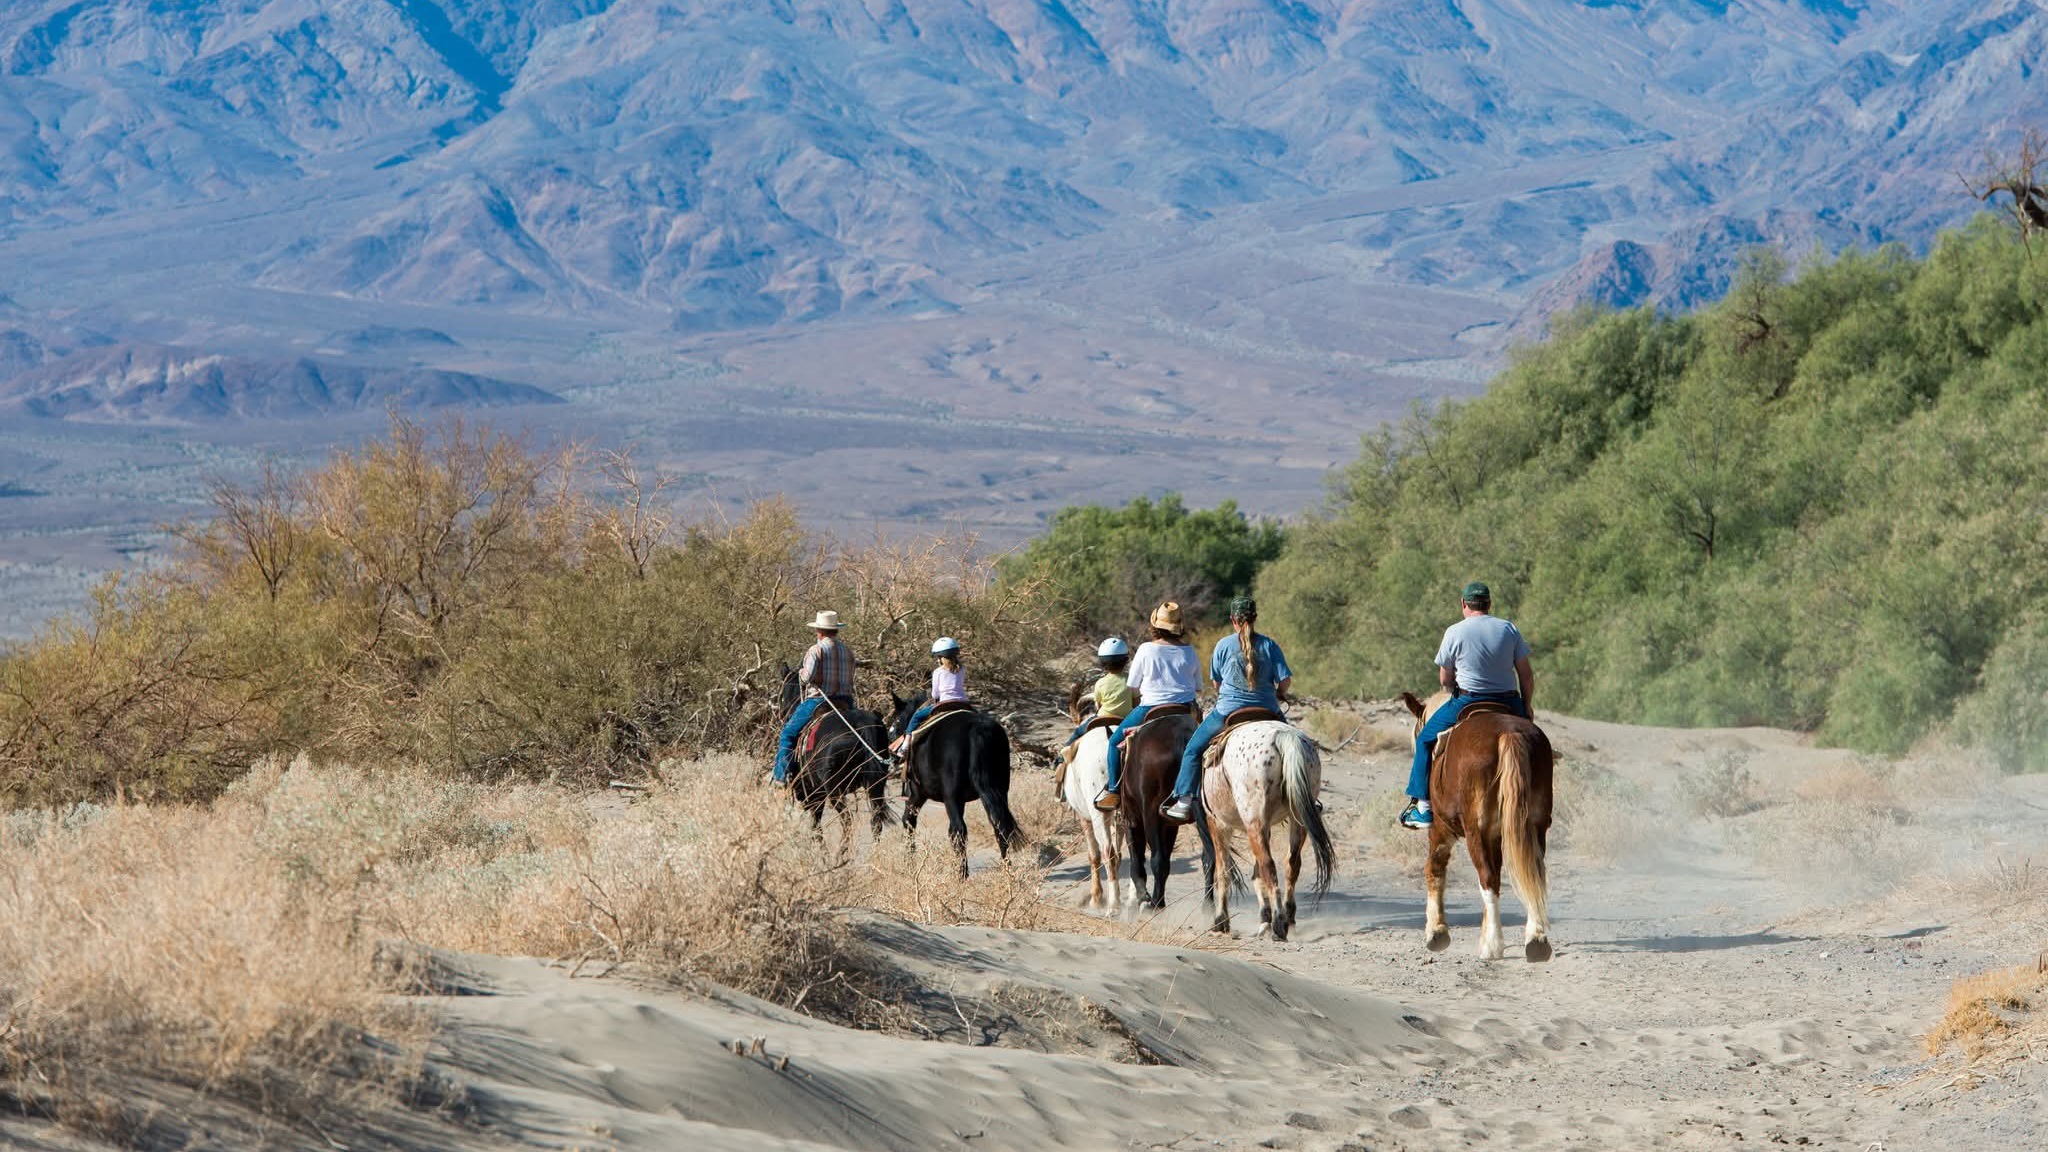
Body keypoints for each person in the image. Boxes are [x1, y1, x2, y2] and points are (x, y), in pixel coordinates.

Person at [1400, 582, 1534, 829]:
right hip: (1508, 700)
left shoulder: (1454, 631)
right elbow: (1525, 674)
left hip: (1469, 700)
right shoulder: (1509, 629)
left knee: (1425, 740)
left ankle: (1423, 809)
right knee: (1536, 744)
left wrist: (1452, 687)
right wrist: (1526, 706)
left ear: (1464, 604)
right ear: (1489, 604)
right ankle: (1535, 802)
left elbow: (1444, 679)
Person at [1160, 596, 1291, 823]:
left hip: (1229, 711)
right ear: (1255, 618)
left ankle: (1183, 801)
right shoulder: (1270, 645)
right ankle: (1304, 797)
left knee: (1192, 751)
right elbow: (1285, 679)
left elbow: (1216, 684)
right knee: (1293, 748)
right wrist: (1279, 693)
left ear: (1233, 619)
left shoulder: (1223, 645)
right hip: (1268, 709)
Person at [1094, 602, 1202, 812]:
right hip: (1185, 709)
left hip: (1150, 708)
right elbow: (1198, 687)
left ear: (1155, 625)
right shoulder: (1190, 651)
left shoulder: (1146, 649)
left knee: (1114, 742)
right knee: (1205, 746)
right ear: (1179, 626)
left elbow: (1133, 685)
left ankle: (1114, 789)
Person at [773, 610, 859, 786]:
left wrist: (802, 673)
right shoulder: (848, 652)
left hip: (819, 700)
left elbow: (807, 677)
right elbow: (851, 678)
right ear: (836, 630)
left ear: (819, 631)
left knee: (788, 733)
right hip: (845, 701)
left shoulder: (816, 650)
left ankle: (782, 776)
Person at [893, 637, 968, 755]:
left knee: (917, 716)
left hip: (944, 704)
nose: (938, 660)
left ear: (942, 657)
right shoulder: (962, 669)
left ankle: (906, 744)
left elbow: (935, 694)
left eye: (939, 657)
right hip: (963, 704)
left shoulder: (938, 672)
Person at [1064, 637, 1134, 747]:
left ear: (1102, 663)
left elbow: (1099, 704)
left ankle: (1061, 758)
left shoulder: (1100, 683)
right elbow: (1136, 701)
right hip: (1127, 719)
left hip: (1103, 718)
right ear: (1126, 661)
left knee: (1078, 732)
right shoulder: (1131, 680)